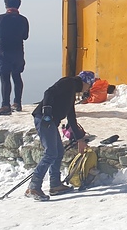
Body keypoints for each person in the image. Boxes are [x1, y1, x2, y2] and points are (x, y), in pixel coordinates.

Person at [25, 71, 93, 201]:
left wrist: (80, 139)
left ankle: (55, 184)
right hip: (44, 120)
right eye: (89, 85)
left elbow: (71, 118)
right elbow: (48, 93)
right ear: (85, 82)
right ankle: (34, 186)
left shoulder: (71, 93)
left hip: (50, 122)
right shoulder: (68, 82)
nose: (89, 88)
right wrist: (47, 111)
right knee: (50, 153)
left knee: (59, 151)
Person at [0, 0, 30, 116]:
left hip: (4, 52)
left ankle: (5, 106)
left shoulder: (1, 18)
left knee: (5, 79)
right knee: (17, 77)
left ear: (6, 5)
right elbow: (25, 36)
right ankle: (17, 103)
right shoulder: (23, 19)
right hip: (18, 52)